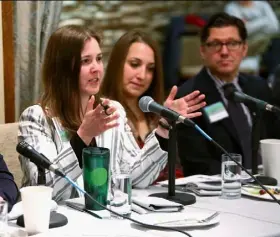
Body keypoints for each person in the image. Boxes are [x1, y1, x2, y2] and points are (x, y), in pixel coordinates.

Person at [18, 25, 205, 203]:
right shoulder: (36, 117)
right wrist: (83, 136)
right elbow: (43, 191)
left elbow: (135, 177)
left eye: (99, 59)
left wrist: (164, 126)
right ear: (62, 68)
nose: (96, 68)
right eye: (86, 61)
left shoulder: (112, 110)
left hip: (106, 219)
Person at [176, 12, 280, 176]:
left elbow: (275, 139)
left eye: (232, 43)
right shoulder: (189, 96)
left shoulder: (259, 88)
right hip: (221, 191)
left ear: (244, 49)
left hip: (267, 185)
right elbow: (197, 163)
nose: (224, 51)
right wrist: (243, 178)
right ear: (203, 50)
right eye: (216, 44)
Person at [100, 29, 206, 183]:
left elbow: (176, 169)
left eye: (150, 69)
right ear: (117, 64)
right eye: (134, 64)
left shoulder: (157, 112)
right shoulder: (106, 112)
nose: (142, 75)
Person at [225, 1, 280, 74]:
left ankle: (274, 79)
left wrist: (250, 24)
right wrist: (266, 21)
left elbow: (275, 27)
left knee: (276, 43)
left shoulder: (263, 5)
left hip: (267, 41)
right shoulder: (231, 8)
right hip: (249, 44)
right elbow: (240, 31)